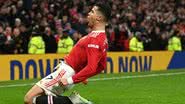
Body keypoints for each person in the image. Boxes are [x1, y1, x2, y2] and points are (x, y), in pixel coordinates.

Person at [24, 3, 111, 104]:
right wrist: (81, 75)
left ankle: (73, 101)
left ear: (98, 18)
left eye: (92, 12)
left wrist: (71, 80)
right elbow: (101, 66)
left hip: (66, 73)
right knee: (44, 99)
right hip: (69, 72)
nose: (88, 14)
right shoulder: (102, 38)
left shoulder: (95, 39)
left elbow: (92, 67)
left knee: (29, 99)